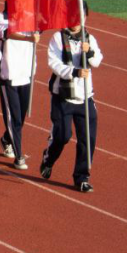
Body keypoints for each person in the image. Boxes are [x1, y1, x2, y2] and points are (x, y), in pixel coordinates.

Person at [40, 11, 102, 193]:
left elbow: (97, 60)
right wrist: (74, 72)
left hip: (85, 97)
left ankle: (82, 177)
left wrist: (88, 51)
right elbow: (54, 63)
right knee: (63, 136)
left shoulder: (89, 39)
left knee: (87, 139)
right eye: (73, 17)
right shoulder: (58, 38)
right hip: (63, 96)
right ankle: (49, 158)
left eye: (80, 17)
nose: (76, 22)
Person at [0, 3, 38, 170]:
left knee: (21, 116)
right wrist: (28, 37)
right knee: (13, 117)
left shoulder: (30, 19)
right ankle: (19, 156)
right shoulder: (0, 19)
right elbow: (7, 34)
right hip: (9, 74)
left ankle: (7, 139)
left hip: (25, 74)